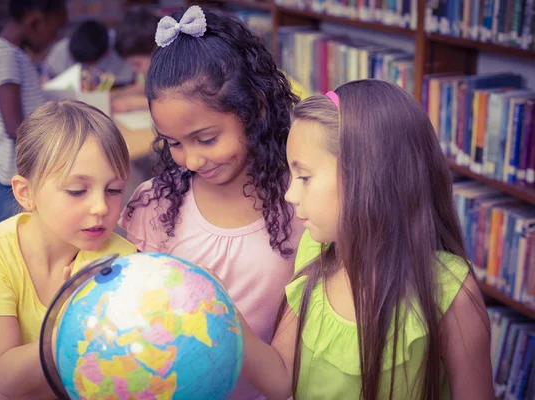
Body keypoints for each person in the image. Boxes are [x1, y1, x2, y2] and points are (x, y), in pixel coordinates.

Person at [241, 80, 494, 399]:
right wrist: (228, 322)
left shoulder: (451, 292)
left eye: (304, 177)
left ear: (368, 177)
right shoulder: (314, 254)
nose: (290, 195)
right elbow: (281, 381)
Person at [119, 6, 303, 399]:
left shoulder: (299, 203)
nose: (191, 159)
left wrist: (213, 310)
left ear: (256, 107)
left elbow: (282, 377)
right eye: (173, 143)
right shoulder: (156, 206)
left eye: (205, 139)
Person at [0, 100, 136, 399]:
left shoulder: (123, 263)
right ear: (26, 193)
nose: (101, 207)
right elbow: (9, 380)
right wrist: (70, 322)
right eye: (77, 191)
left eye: (114, 190)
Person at [0, 0, 67, 227]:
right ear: (35, 21)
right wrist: (61, 144)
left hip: (7, 171)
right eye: (54, 30)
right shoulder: (5, 55)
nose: (54, 39)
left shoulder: (10, 53)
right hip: (4, 176)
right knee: (9, 248)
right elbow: (13, 126)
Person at [43, 20, 135, 87]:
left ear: (106, 54)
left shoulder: (119, 48)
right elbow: (47, 81)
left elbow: (130, 83)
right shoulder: (60, 51)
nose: (86, 71)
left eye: (89, 65)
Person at [111, 7, 160, 112]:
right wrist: (116, 94)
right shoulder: (151, 72)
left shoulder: (178, 67)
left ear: (157, 49)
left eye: (137, 63)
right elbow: (146, 87)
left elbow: (180, 101)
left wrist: (134, 103)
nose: (135, 69)